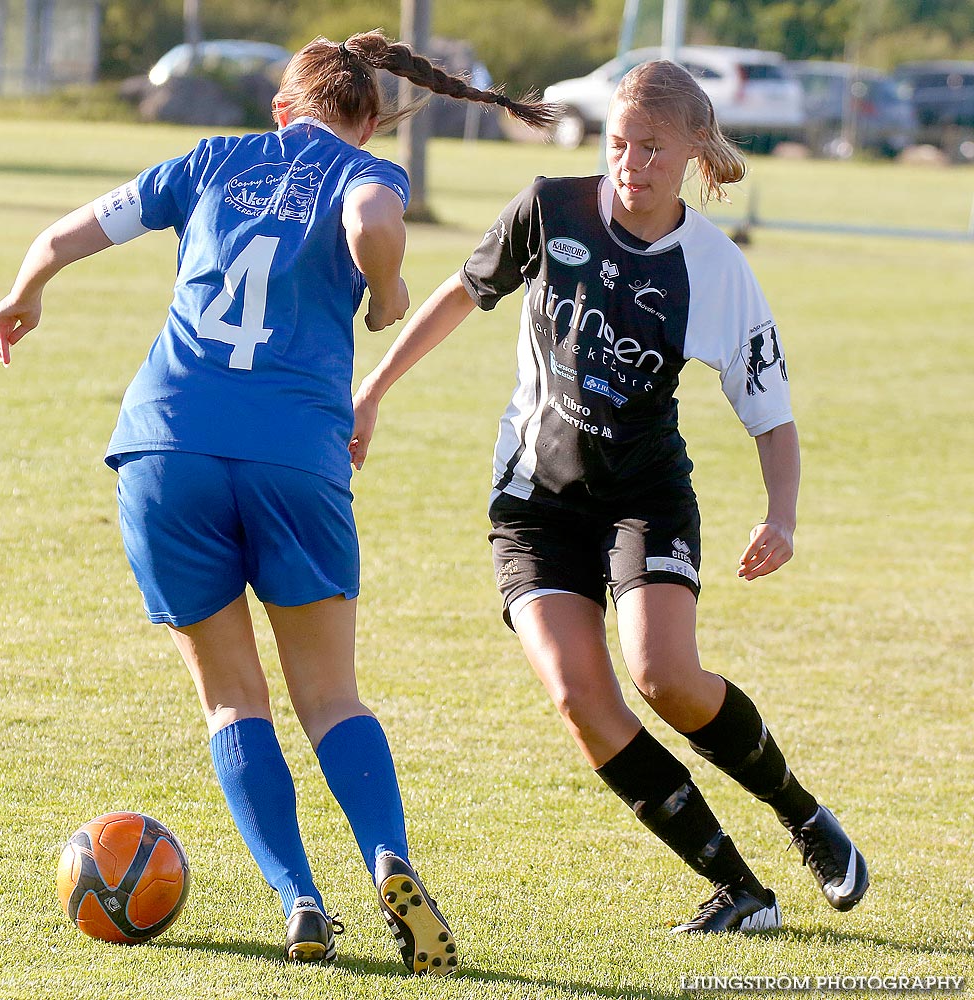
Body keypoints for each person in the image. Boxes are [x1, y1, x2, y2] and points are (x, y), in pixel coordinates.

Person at [0, 31, 558, 972]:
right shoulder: (362, 171)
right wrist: (385, 290)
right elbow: (374, 222)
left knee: (230, 700)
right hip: (295, 458)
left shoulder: (209, 160)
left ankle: (300, 897)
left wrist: (25, 295)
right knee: (330, 696)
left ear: (281, 109)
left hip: (167, 449)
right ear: (367, 122)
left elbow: (60, 235)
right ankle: (388, 858)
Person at [351, 60, 869, 934]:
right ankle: (741, 892)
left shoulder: (712, 266)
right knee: (580, 697)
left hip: (643, 501)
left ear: (693, 152)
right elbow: (460, 295)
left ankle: (803, 813)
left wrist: (781, 516)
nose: (630, 163)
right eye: (620, 143)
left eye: (652, 148)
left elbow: (771, 417)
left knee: (665, 677)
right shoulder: (551, 208)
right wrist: (372, 391)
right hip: (533, 502)